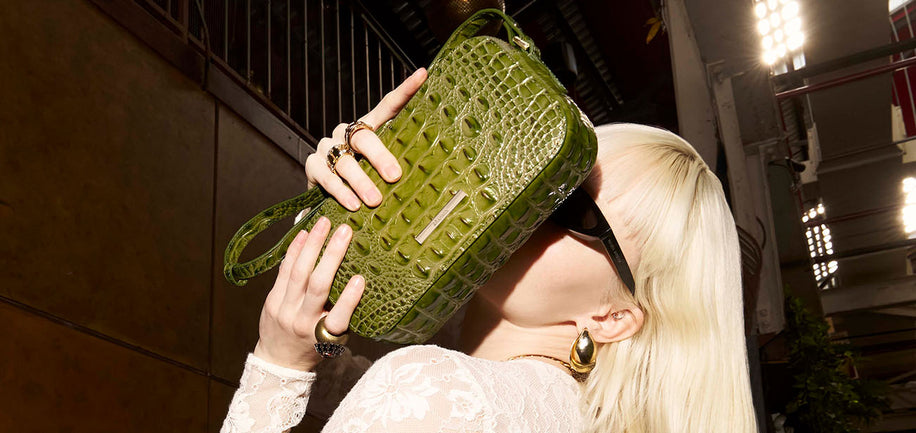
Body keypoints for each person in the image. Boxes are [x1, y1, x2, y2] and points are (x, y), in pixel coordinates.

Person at [220, 68, 758, 433]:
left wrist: (277, 362)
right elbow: (347, 386)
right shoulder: (549, 411)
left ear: (613, 317)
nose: (528, 201)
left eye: (571, 205)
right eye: (547, 170)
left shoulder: (442, 392)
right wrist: (347, 218)